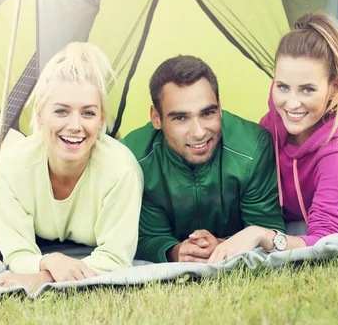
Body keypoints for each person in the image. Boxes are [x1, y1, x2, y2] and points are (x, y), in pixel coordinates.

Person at [208, 12, 338, 263]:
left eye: (307, 89)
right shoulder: (272, 123)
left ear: (334, 88)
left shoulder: (337, 150)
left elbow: (324, 238)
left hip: (294, 228)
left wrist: (260, 235)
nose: (292, 103)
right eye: (283, 86)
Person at [0, 42, 143, 290]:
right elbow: (17, 253)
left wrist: (44, 277)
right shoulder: (10, 167)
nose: (74, 125)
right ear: (40, 113)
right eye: (61, 111)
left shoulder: (121, 170)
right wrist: (49, 260)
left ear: (101, 117)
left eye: (88, 113)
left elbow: (116, 258)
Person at [121, 55, 285, 264]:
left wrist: (225, 244)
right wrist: (175, 251)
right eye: (180, 118)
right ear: (156, 117)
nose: (199, 132)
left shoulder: (254, 146)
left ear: (220, 105)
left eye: (208, 113)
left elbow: (267, 228)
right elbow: (145, 236)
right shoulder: (133, 157)